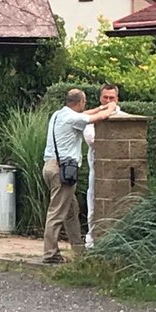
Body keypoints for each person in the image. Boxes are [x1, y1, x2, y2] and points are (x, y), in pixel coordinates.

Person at [42, 89, 117, 264]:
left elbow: (86, 114)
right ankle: (50, 254)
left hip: (50, 167)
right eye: (84, 103)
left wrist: (99, 107)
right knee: (57, 213)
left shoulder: (59, 114)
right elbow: (96, 118)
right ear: (80, 102)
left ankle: (79, 250)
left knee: (70, 211)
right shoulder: (72, 118)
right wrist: (110, 107)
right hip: (63, 171)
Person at [82, 83, 128, 248]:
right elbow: (92, 140)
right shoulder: (90, 120)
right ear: (100, 98)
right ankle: (92, 240)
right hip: (98, 170)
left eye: (111, 98)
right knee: (93, 203)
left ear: (117, 99)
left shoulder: (125, 118)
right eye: (105, 97)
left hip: (120, 171)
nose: (108, 101)